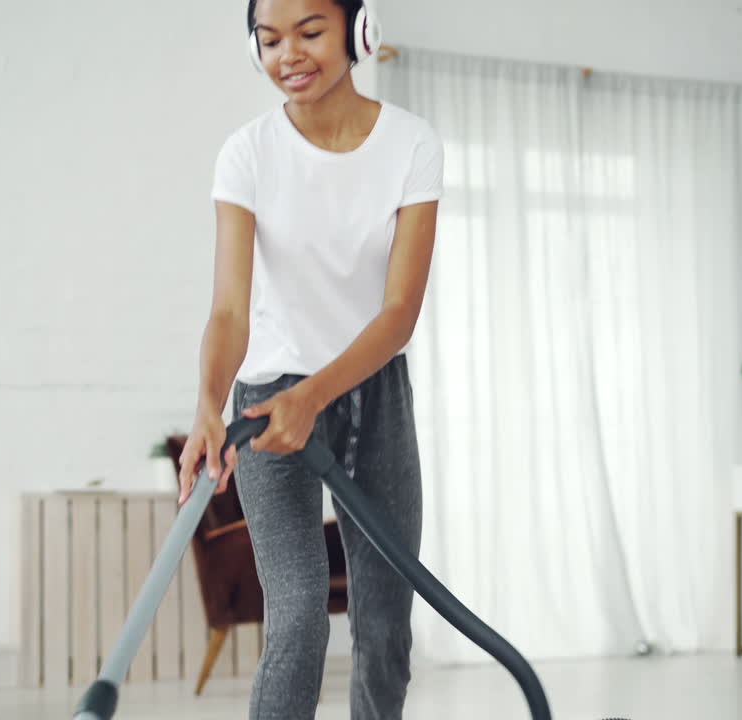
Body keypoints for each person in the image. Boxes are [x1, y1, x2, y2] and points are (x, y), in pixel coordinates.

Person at [175, 0, 443, 717]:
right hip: (268, 403)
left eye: (311, 32)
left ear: (361, 31)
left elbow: (398, 315)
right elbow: (230, 311)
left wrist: (318, 395)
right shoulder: (248, 153)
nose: (288, 54)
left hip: (370, 389)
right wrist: (207, 406)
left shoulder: (412, 146)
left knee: (385, 626)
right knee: (295, 618)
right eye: (268, 40)